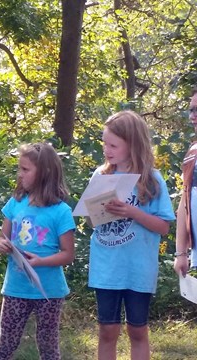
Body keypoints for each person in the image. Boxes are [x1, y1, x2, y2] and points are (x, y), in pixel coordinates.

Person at [88, 110, 174, 360]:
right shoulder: (100, 175)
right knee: (107, 329)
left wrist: (131, 212)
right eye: (105, 143)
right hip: (106, 267)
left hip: (138, 267)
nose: (107, 150)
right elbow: (91, 220)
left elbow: (163, 226)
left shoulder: (152, 180)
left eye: (113, 145)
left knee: (137, 330)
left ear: (133, 144)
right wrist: (99, 210)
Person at [0, 142, 75, 360]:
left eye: (25, 170)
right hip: (16, 288)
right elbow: (2, 237)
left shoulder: (61, 211)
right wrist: (1, 244)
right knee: (5, 343)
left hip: (50, 291)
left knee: (48, 346)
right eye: (19, 168)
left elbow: (68, 254)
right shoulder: (15, 203)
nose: (20, 174)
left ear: (45, 173)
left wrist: (40, 261)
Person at [174, 88, 197, 277]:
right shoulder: (192, 154)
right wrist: (181, 253)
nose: (193, 116)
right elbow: (185, 202)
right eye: (191, 110)